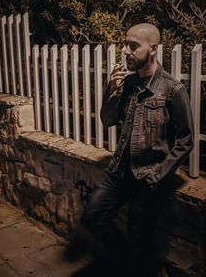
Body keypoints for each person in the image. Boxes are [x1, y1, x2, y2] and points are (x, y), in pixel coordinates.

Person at [80, 23, 194, 276]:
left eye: (134, 46)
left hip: (148, 176)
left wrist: (158, 176)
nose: (126, 51)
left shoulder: (172, 89)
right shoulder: (128, 83)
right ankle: (126, 261)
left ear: (152, 49)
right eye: (126, 44)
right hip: (118, 172)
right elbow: (107, 119)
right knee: (91, 217)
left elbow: (186, 139)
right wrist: (110, 89)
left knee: (138, 237)